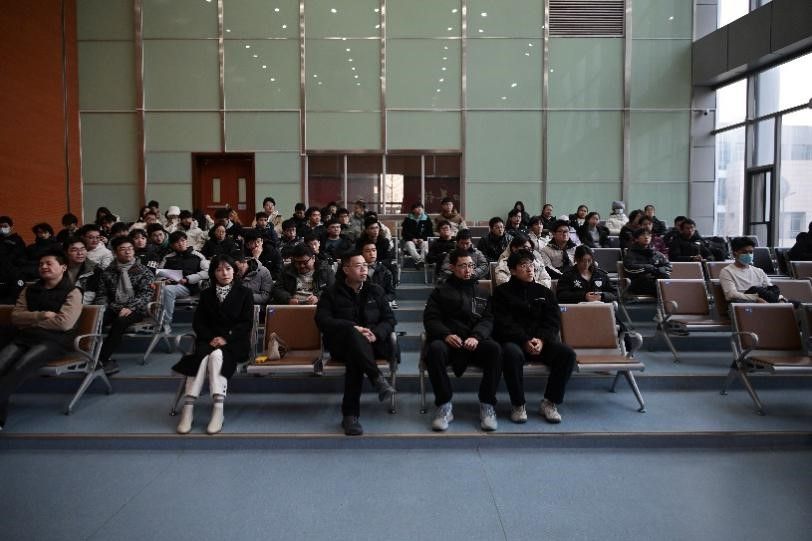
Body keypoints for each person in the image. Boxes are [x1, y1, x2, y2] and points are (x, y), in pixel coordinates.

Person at [315, 251, 397, 436]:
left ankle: (350, 416)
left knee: (356, 357)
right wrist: (352, 328)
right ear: (346, 269)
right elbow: (322, 320)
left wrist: (376, 333)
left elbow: (390, 319)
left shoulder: (376, 290)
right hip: (342, 345)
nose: (364, 269)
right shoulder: (331, 293)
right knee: (354, 338)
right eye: (358, 266)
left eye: (365, 266)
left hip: (374, 343)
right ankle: (376, 378)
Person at [0, 249, 82, 429]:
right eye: (41, 264)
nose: (43, 267)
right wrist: (41, 315)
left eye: (48, 263)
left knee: (20, 367)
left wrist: (30, 321)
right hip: (25, 337)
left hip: (54, 341)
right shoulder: (29, 289)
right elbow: (16, 317)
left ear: (63, 267)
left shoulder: (73, 292)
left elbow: (64, 324)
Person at [492, 250, 576, 424]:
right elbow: (502, 323)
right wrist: (524, 340)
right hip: (515, 342)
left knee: (567, 354)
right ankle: (518, 404)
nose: (529, 269)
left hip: (541, 342)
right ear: (513, 270)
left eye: (531, 264)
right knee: (510, 354)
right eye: (523, 265)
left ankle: (549, 402)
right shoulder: (501, 293)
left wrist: (541, 339)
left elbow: (552, 321)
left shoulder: (545, 292)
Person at [173, 255, 253, 435]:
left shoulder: (245, 293)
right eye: (219, 270)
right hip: (208, 340)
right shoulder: (206, 294)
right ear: (213, 273)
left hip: (234, 342)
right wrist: (211, 338)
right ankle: (188, 407)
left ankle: (218, 409)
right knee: (202, 357)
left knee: (216, 355)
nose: (224, 273)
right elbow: (198, 323)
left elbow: (246, 323)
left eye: (228, 269)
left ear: (234, 270)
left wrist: (225, 338)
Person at [423, 249, 502, 432]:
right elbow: (431, 319)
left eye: (471, 266)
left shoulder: (482, 292)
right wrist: (446, 334)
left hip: (474, 341)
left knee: (495, 350)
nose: (468, 270)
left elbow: (488, 319)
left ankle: (487, 404)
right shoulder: (440, 291)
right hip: (449, 341)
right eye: (463, 266)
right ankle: (444, 405)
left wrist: (477, 336)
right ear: (452, 267)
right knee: (434, 349)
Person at [93, 237, 153, 375]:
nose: (128, 252)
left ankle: (102, 359)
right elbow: (102, 294)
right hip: (114, 306)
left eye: (130, 248)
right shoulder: (108, 271)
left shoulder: (143, 271)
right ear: (115, 253)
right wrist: (102, 307)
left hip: (136, 309)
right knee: (96, 320)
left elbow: (146, 294)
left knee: (120, 322)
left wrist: (130, 307)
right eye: (123, 249)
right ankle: (88, 354)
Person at [159, 231, 210, 333]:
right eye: (177, 242)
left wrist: (188, 279)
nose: (181, 243)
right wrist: (164, 279)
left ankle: (165, 323)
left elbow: (207, 272)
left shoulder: (197, 255)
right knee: (163, 288)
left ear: (187, 241)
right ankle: (159, 321)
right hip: (173, 285)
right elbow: (159, 274)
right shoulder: (168, 257)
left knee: (168, 290)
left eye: (183, 240)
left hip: (191, 286)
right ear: (172, 245)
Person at [720, 237, 782, 303]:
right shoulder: (727, 272)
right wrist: (756, 298)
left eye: (751, 252)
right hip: (744, 305)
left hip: (765, 302)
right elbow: (731, 295)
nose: (748, 255)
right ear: (735, 254)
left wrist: (781, 299)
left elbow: (771, 292)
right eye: (744, 252)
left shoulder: (759, 271)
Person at [623, 228, 671, 295]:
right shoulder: (631, 253)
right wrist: (648, 268)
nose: (646, 237)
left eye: (648, 235)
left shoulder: (656, 253)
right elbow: (629, 268)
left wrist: (660, 269)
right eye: (643, 235)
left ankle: (669, 294)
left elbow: (668, 266)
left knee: (665, 278)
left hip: (654, 280)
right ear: (636, 239)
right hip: (638, 283)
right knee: (662, 287)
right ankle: (668, 295)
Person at [360, 240, 396, 307]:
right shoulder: (357, 270)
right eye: (368, 251)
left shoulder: (385, 271)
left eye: (374, 250)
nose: (372, 253)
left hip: (379, 304)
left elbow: (391, 294)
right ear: (362, 253)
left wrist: (383, 300)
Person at [63, 237, 100, 302]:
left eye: (82, 249)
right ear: (66, 253)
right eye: (74, 250)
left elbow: (97, 295)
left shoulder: (95, 270)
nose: (80, 253)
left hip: (86, 306)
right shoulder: (58, 269)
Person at [400, 202, 433, 269]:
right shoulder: (408, 219)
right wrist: (412, 238)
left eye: (421, 207)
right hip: (411, 240)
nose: (420, 209)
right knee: (409, 245)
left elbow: (430, 233)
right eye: (417, 207)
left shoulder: (426, 218)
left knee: (426, 244)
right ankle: (420, 260)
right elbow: (404, 233)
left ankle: (420, 261)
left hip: (422, 240)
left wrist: (423, 238)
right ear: (413, 210)